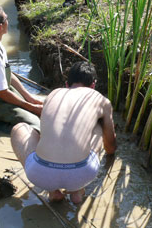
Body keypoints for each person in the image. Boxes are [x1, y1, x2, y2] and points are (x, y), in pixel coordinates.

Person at [11, 61, 117, 204]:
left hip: (40, 174)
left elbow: (46, 135)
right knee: (97, 126)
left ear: (67, 84)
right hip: (82, 174)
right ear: (93, 85)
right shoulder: (101, 99)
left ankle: (52, 191)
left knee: (19, 128)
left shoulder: (53, 95)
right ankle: (78, 191)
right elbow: (110, 147)